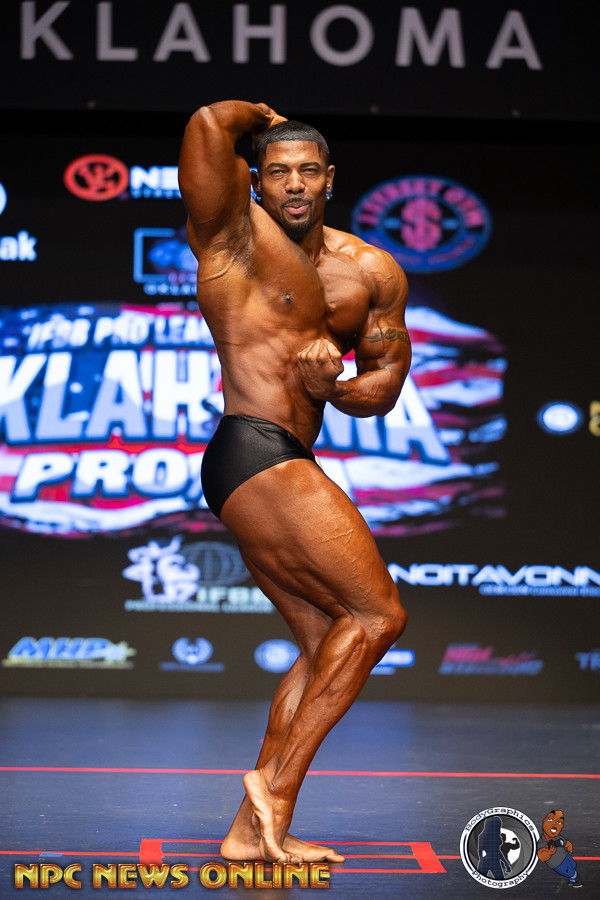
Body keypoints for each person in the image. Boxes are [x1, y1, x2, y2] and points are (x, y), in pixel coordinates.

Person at [178, 100, 411, 865]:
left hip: (281, 457)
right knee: (378, 616)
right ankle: (274, 790)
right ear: (255, 181)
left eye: (309, 170)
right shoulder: (231, 237)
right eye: (278, 171)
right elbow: (207, 123)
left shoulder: (370, 271)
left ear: (331, 179)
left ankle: (249, 833)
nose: (295, 183)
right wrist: (260, 114)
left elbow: (385, 385)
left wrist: (334, 388)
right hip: (254, 447)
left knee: (323, 645)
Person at [537, 810, 583, 887]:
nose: (554, 824)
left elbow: (567, 843)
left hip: (566, 856)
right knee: (569, 873)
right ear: (544, 821)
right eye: (550, 819)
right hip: (557, 863)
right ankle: (576, 877)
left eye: (559, 822)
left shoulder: (558, 837)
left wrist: (570, 851)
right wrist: (549, 853)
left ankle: (572, 880)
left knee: (573, 865)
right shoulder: (542, 842)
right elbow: (542, 856)